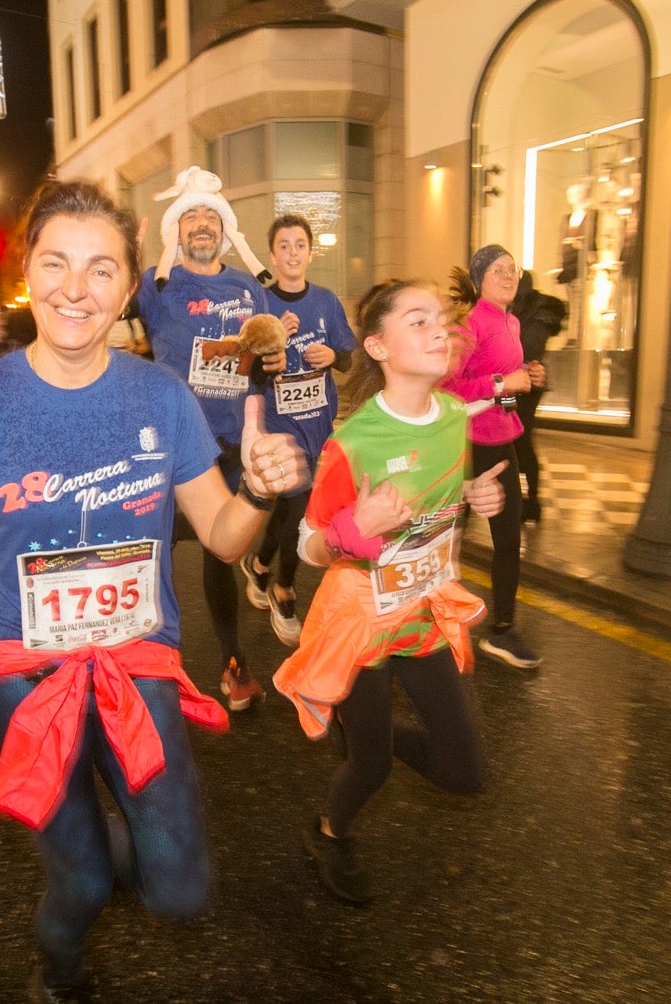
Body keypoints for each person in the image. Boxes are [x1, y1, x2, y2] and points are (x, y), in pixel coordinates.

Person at [0, 181, 308, 1002]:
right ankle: (59, 973)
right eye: (55, 264)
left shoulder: (160, 395)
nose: (75, 289)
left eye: (100, 270)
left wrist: (258, 493)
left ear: (125, 288)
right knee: (79, 882)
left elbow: (222, 535)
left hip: (135, 670)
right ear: (28, 274)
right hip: (19, 676)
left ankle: (110, 839)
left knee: (180, 890)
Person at [273, 278, 506, 905]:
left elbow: (436, 506)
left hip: (423, 610)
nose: (438, 330)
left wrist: (477, 498)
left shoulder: (455, 417)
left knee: (463, 773)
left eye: (441, 319)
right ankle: (329, 831)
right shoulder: (351, 444)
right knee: (370, 768)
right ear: (377, 346)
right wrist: (355, 529)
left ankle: (359, 726)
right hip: (360, 621)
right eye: (417, 320)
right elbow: (309, 546)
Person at [135, 166, 284, 711]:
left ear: (224, 230)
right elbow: (104, 306)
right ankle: (143, 659)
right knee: (150, 553)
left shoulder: (247, 288)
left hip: (223, 444)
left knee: (222, 553)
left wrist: (264, 390)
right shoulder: (158, 284)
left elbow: (262, 360)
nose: (201, 223)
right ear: (176, 229)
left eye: (211, 216)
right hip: (162, 444)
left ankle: (230, 657)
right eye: (191, 215)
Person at [239, 214, 356, 647]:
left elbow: (347, 358)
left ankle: (259, 563)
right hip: (280, 428)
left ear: (310, 251)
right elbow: (245, 372)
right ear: (273, 254)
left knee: (288, 512)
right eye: (283, 246)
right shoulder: (261, 303)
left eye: (299, 245)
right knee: (300, 512)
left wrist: (331, 357)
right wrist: (274, 341)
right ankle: (284, 591)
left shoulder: (325, 301)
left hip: (319, 426)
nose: (291, 253)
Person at [441, 245, 545, 670]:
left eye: (513, 269)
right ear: (479, 278)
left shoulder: (512, 321)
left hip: (503, 439)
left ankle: (502, 630)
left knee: (508, 537)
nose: (508, 275)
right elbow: (447, 389)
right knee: (448, 539)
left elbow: (506, 380)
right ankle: (436, 621)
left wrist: (530, 377)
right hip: (466, 445)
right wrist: (505, 381)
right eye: (498, 270)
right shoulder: (469, 324)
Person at [508, 271, 567, 525]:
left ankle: (530, 500)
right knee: (518, 442)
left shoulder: (533, 313)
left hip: (525, 387)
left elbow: (528, 350)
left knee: (519, 442)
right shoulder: (526, 310)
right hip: (518, 385)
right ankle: (526, 500)